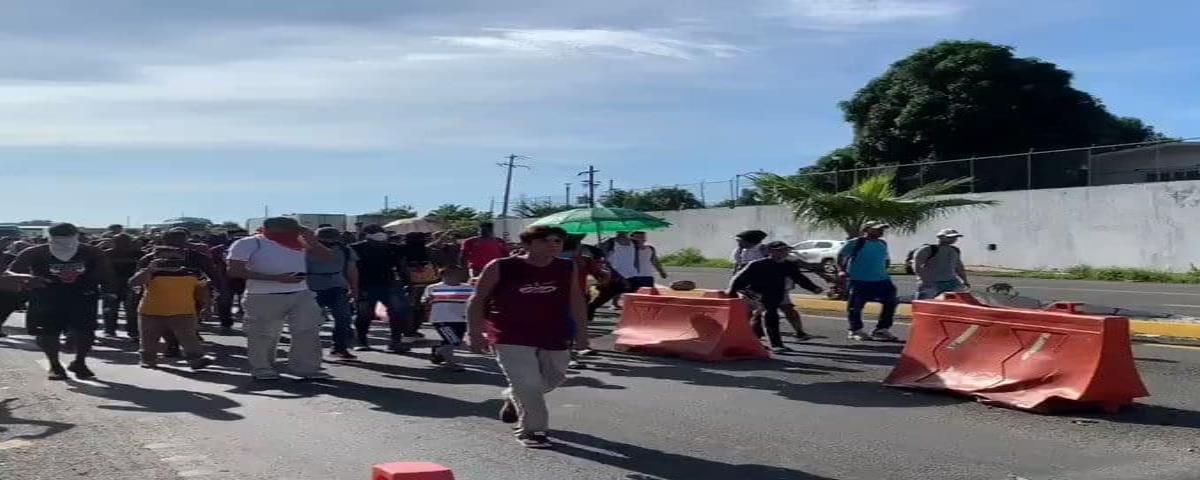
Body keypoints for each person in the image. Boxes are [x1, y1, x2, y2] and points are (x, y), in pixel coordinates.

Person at [467, 226, 588, 449]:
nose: (553, 245)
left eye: (558, 241)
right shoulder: (501, 266)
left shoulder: (566, 267)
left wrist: (582, 332)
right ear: (527, 244)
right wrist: (475, 333)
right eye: (546, 240)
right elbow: (477, 299)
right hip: (509, 333)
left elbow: (577, 300)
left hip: (555, 331)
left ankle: (513, 396)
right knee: (528, 382)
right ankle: (533, 430)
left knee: (554, 378)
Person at [226, 217, 334, 380]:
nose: (297, 233)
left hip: (301, 293)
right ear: (274, 231)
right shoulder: (248, 243)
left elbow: (329, 258)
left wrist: (314, 242)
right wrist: (276, 278)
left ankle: (306, 368)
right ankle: (262, 367)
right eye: (293, 231)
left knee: (307, 331)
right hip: (263, 295)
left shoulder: (299, 243)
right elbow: (234, 270)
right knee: (264, 334)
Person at [5, 223, 114, 380]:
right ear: (51, 238)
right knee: (47, 333)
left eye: (68, 238)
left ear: (76, 236)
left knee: (86, 332)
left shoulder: (91, 251)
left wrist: (109, 292)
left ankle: (80, 362)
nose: (65, 243)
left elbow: (107, 272)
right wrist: (27, 278)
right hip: (46, 296)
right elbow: (10, 271)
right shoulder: (35, 252)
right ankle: (55, 365)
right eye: (59, 239)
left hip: (83, 296)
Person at [726, 241, 823, 353]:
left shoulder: (788, 265)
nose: (783, 252)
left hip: (773, 293)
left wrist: (814, 288)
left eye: (785, 250)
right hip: (752, 292)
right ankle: (775, 344)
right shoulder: (757, 264)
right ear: (770, 251)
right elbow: (737, 279)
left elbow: (800, 278)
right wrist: (732, 293)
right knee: (769, 314)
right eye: (779, 250)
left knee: (763, 314)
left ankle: (756, 341)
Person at [128, 246, 215, 370]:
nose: (170, 260)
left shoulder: (194, 272)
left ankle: (196, 360)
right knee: (148, 339)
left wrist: (207, 306)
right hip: (151, 312)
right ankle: (148, 360)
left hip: (184, 311)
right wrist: (149, 270)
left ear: (182, 257)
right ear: (155, 257)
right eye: (165, 257)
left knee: (189, 338)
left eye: (174, 257)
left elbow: (203, 289)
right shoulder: (150, 272)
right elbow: (133, 283)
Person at [350, 224, 412, 353]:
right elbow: (350, 269)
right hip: (364, 285)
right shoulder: (356, 248)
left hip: (390, 284)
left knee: (397, 313)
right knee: (364, 314)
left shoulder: (394, 248)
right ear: (366, 236)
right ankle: (361, 341)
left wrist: (407, 282)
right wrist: (352, 287)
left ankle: (396, 341)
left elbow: (402, 266)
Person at [837, 221, 900, 341]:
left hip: (882, 280)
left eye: (882, 229)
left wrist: (884, 269)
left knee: (891, 302)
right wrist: (841, 271)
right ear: (866, 230)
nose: (881, 231)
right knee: (855, 306)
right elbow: (841, 256)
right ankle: (855, 330)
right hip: (859, 280)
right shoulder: (856, 242)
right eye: (877, 229)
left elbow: (885, 259)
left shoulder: (882, 243)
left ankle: (881, 329)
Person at [306, 227, 360, 360]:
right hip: (311, 287)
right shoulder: (305, 249)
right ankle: (308, 349)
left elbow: (351, 270)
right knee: (310, 321)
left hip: (337, 286)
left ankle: (339, 348)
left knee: (343, 318)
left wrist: (354, 289)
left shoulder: (345, 250)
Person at [421, 266, 473, 371]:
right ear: (442, 276)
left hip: (461, 319)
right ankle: (450, 364)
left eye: (456, 274)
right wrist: (427, 302)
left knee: (456, 341)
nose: (453, 277)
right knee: (451, 340)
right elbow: (424, 302)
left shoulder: (468, 288)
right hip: (441, 319)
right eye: (449, 274)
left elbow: (474, 303)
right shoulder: (433, 288)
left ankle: (438, 350)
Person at [101, 234, 144, 339]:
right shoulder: (107, 254)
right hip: (111, 285)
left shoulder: (139, 254)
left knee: (132, 310)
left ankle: (133, 332)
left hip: (131, 285)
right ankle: (109, 331)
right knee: (110, 309)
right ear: (114, 242)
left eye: (126, 241)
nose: (123, 244)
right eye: (119, 241)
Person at [913, 228, 970, 300]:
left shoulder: (955, 250)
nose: (954, 239)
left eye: (955, 237)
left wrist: (965, 281)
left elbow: (959, 267)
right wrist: (924, 280)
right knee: (925, 303)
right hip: (932, 282)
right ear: (941, 237)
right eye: (950, 237)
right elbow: (917, 266)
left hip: (952, 282)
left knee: (958, 301)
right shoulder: (927, 249)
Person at [212, 229, 248, 335]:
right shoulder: (218, 249)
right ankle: (225, 323)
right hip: (226, 279)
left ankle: (246, 323)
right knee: (225, 302)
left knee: (248, 303)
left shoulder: (252, 248)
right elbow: (212, 264)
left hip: (246, 278)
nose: (239, 239)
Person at [0, 240, 30, 336]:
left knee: (7, 308)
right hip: (7, 287)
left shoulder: (14, 257)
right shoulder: (8, 256)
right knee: (5, 308)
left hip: (11, 287)